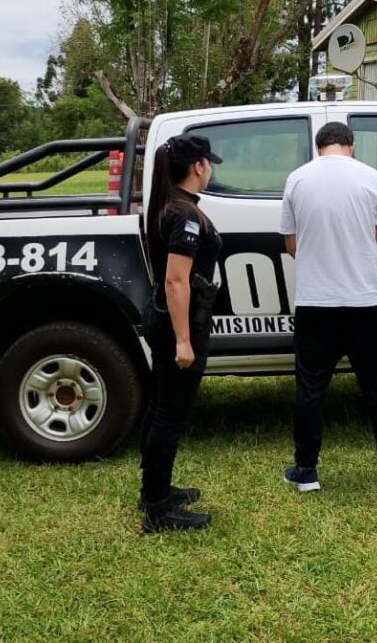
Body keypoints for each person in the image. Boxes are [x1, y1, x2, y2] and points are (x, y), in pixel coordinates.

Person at [279, 121, 377, 492]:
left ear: (318, 147)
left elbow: (291, 245)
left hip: (315, 302)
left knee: (310, 389)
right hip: (365, 300)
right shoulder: (371, 177)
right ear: (351, 146)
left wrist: (321, 265)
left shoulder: (296, 179)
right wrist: (361, 268)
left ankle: (306, 471)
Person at [139, 134, 223, 532]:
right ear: (198, 166)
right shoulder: (185, 215)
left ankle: (156, 490)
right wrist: (184, 340)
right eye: (209, 164)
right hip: (179, 323)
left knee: (161, 408)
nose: (209, 172)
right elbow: (176, 282)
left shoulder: (171, 206)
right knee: (169, 416)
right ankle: (158, 510)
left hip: (168, 319)